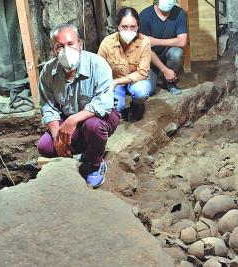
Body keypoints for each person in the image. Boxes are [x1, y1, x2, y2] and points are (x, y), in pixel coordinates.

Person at [37, 24, 119, 188]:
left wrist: (73, 120)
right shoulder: (48, 71)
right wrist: (57, 137)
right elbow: (48, 105)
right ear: (54, 49)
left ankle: (96, 164)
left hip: (101, 116)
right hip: (68, 118)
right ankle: (88, 149)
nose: (65, 50)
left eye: (70, 44)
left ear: (80, 44)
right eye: (59, 46)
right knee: (45, 147)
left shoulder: (98, 65)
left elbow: (103, 103)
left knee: (93, 126)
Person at [98, 7, 151, 122]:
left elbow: (142, 73)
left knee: (141, 93)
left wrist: (117, 82)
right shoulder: (107, 43)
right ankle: (121, 109)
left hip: (136, 81)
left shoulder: (144, 42)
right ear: (118, 26)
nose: (128, 30)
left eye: (132, 27)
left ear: (138, 27)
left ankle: (137, 105)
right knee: (116, 109)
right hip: (114, 81)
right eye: (124, 27)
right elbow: (98, 70)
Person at [139, 0, 188, 95]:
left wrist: (155, 41)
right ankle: (162, 73)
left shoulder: (179, 13)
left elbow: (182, 41)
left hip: (167, 53)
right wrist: (164, 70)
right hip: (150, 58)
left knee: (177, 53)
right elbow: (146, 49)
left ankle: (171, 83)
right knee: (149, 91)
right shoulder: (144, 16)